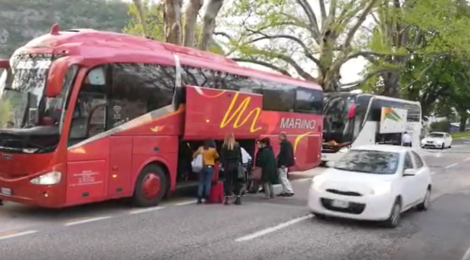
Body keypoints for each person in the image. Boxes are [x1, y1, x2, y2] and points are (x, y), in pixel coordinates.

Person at [193, 139, 219, 204]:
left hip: (201, 167)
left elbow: (194, 155)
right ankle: (207, 198)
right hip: (209, 167)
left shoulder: (200, 149)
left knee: (201, 182)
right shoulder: (213, 150)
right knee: (208, 182)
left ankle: (199, 198)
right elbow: (217, 156)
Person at [220, 132, 243, 205]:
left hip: (228, 165)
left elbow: (222, 157)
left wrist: (223, 165)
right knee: (237, 182)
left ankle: (227, 198)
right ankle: (238, 198)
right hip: (236, 164)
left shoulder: (224, 146)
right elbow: (240, 156)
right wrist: (241, 164)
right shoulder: (237, 145)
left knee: (227, 182)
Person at [277, 132, 295, 197]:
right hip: (283, 163)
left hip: (283, 164)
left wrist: (284, 164)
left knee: (283, 177)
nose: (278, 137)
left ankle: (289, 190)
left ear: (283, 137)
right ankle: (285, 190)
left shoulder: (285, 144)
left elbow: (287, 155)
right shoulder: (285, 144)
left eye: (280, 136)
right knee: (282, 177)